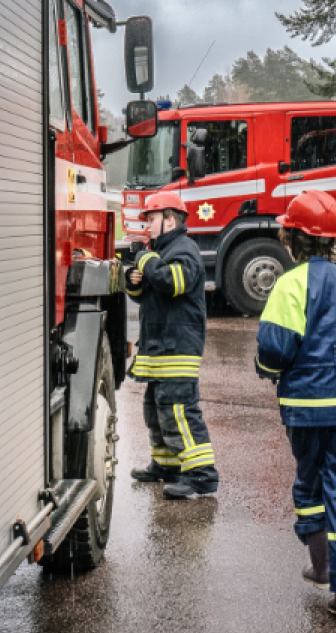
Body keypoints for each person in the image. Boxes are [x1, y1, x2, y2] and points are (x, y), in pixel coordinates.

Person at [255, 190, 336, 623]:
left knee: (310, 486)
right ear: (330, 241)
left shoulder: (290, 285)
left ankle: (320, 567)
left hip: (305, 409)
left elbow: (275, 349)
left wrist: (263, 366)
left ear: (292, 238)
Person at [125, 191, 218, 499]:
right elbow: (148, 294)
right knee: (156, 411)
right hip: (159, 350)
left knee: (178, 411)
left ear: (169, 219)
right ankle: (166, 466)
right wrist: (133, 280)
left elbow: (173, 282)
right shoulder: (162, 250)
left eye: (151, 220)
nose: (147, 227)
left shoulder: (184, 249)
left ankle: (201, 475)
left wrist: (147, 260)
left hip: (177, 349)